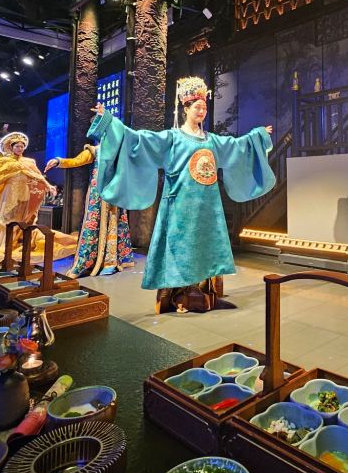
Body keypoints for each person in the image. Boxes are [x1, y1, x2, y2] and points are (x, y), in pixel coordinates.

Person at [87, 77, 274, 313]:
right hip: (180, 204)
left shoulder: (212, 140)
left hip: (208, 205)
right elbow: (137, 140)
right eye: (197, 107)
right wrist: (108, 120)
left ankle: (206, 293)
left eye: (204, 108)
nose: (201, 111)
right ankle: (180, 293)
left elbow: (237, 146)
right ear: (186, 109)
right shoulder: (173, 138)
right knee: (182, 246)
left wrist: (258, 136)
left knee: (208, 244)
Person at [44, 141, 135, 278]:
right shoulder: (95, 150)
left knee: (114, 223)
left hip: (115, 193)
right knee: (94, 224)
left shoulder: (120, 151)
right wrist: (59, 161)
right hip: (98, 195)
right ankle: (89, 260)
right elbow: (77, 161)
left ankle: (110, 262)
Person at [0, 132, 74, 265]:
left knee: (22, 218)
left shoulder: (29, 162)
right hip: (9, 192)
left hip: (24, 192)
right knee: (7, 218)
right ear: (11, 147)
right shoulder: (4, 161)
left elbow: (38, 176)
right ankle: (3, 244)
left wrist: (49, 186)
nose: (20, 149)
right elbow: (1, 177)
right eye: (17, 146)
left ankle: (17, 242)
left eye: (22, 146)